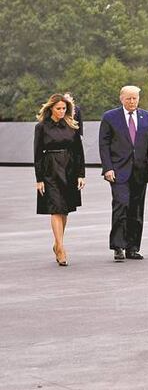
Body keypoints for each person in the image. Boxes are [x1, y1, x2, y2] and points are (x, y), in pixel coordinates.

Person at [99, 85, 148, 261]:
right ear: (121, 98)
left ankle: (133, 247)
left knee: (136, 210)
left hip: (140, 171)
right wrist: (108, 168)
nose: (132, 101)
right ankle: (118, 246)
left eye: (135, 98)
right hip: (118, 171)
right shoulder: (110, 117)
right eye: (129, 98)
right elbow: (103, 145)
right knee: (121, 206)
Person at [34, 94, 86, 266]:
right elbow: (37, 154)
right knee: (55, 208)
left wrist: (81, 174)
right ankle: (62, 248)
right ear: (50, 109)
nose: (62, 111)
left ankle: (57, 243)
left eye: (64, 108)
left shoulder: (72, 125)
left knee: (65, 209)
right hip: (50, 170)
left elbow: (79, 151)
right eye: (58, 108)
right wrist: (39, 178)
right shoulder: (41, 127)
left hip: (70, 169)